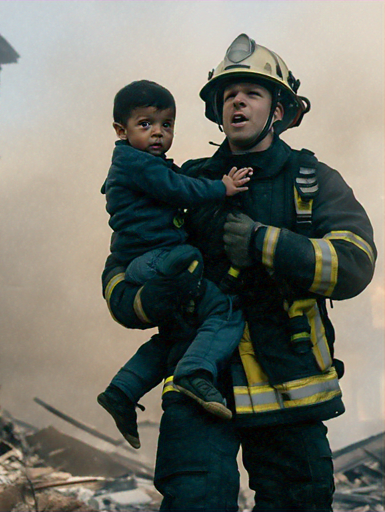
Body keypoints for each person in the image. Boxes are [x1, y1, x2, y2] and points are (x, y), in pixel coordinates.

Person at [100, 34, 377, 511]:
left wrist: (265, 243)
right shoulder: (191, 180)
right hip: (198, 387)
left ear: (278, 109)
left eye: (252, 92)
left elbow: (356, 263)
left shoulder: (312, 181)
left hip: (287, 389)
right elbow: (122, 262)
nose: (238, 102)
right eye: (229, 95)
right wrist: (143, 300)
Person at [98, 80, 252, 449]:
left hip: (147, 261)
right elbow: (178, 190)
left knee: (177, 328)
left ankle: (123, 389)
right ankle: (194, 373)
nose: (158, 134)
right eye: (146, 124)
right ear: (121, 131)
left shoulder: (146, 164)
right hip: (153, 261)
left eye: (166, 125)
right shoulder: (139, 165)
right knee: (223, 306)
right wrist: (222, 188)